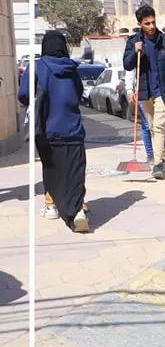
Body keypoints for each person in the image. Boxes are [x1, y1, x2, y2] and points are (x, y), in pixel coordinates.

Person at [18, 30, 90, 233]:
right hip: (73, 128)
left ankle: (52, 207)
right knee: (75, 171)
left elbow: (23, 94)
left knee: (52, 171)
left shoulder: (37, 67)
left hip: (47, 129)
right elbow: (78, 93)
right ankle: (77, 211)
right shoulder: (72, 68)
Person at [123, 6, 165, 180]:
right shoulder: (133, 42)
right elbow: (127, 65)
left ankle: (157, 164)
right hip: (145, 91)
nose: (151, 26)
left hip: (162, 91)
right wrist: (135, 52)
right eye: (147, 23)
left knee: (159, 126)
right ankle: (162, 158)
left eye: (153, 22)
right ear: (140, 24)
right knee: (152, 128)